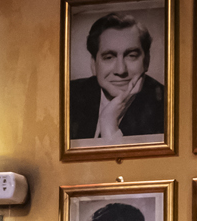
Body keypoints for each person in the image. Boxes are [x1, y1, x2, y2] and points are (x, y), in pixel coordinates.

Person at [69, 11, 168, 141]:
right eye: (109, 57)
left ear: (146, 61)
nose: (121, 70)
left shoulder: (167, 106)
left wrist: (109, 125)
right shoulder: (69, 95)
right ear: (93, 64)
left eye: (131, 56)